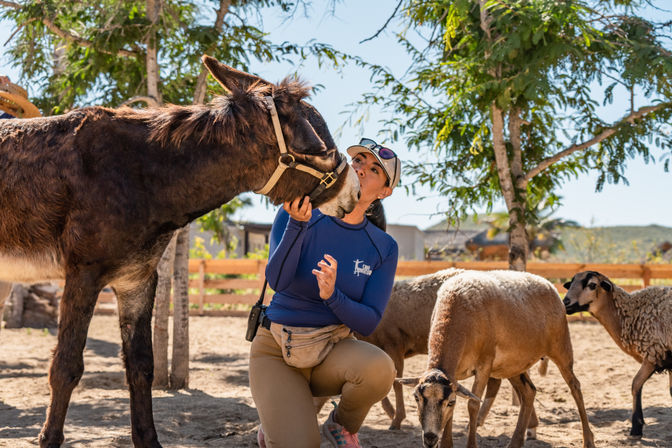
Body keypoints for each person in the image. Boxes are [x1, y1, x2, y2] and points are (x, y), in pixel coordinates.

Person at [249, 138, 402, 448]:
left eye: (374, 169)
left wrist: (333, 295)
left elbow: (369, 322)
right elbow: (277, 279)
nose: (362, 169)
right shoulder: (300, 211)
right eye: (358, 161)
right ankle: (277, 418)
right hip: (277, 350)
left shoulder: (383, 247)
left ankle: (340, 426)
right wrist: (297, 224)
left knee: (380, 369)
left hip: (331, 350)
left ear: (385, 191)